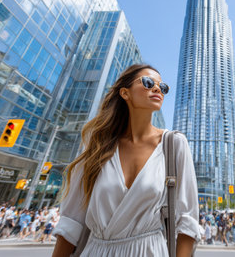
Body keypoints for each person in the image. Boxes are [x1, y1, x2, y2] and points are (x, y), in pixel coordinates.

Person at [52, 65, 200, 257]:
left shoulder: (173, 143)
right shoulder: (98, 147)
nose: (157, 89)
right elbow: (71, 222)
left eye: (162, 87)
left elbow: (187, 220)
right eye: (148, 83)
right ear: (125, 93)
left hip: (150, 251)